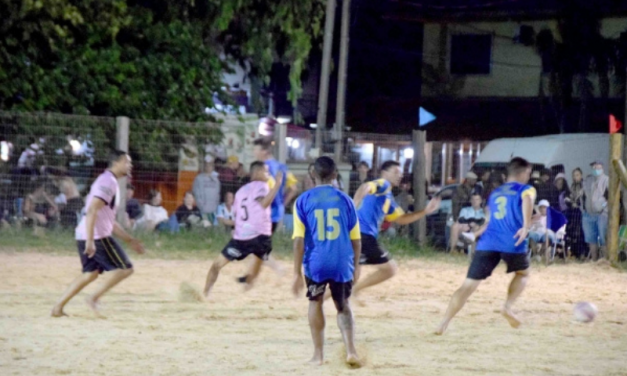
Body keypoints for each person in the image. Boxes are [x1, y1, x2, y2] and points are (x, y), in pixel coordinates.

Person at [435, 157, 535, 335]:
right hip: (512, 241)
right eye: (528, 173)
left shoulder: (495, 193)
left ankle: (443, 323)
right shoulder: (526, 189)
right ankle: (507, 306)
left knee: (468, 285)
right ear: (522, 173)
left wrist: (475, 234)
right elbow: (527, 199)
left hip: (488, 243)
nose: (529, 177)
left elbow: (489, 221)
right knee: (523, 274)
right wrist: (526, 226)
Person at [51, 150, 145, 318]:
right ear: (116, 163)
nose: (130, 165)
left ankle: (58, 308)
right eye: (127, 162)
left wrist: (130, 240)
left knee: (90, 273)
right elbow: (93, 209)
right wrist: (90, 242)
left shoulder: (108, 181)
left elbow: (109, 221)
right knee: (125, 268)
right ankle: (93, 299)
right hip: (95, 236)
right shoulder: (108, 182)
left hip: (85, 233)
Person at [291, 156, 362, 367]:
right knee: (343, 306)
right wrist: (356, 266)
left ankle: (318, 355)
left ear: (312, 174)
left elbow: (298, 241)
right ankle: (351, 351)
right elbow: (356, 240)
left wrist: (296, 273)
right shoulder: (346, 200)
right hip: (342, 262)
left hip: (316, 263)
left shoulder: (303, 200)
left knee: (315, 302)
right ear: (334, 175)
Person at [341, 161, 441, 300]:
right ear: (384, 173)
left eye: (400, 173)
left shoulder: (387, 197)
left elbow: (401, 219)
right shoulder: (383, 184)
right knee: (389, 269)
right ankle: (349, 293)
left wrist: (425, 211)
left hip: (358, 234)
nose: (399, 175)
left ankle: (324, 300)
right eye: (395, 172)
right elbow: (365, 187)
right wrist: (354, 204)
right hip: (363, 235)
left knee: (353, 275)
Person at [203, 162, 283, 296]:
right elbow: (263, 203)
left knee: (216, 265)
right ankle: (271, 270)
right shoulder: (263, 186)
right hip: (258, 234)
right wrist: (277, 186)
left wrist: (237, 227)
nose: (268, 175)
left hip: (242, 237)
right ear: (257, 173)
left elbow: (237, 214)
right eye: (266, 172)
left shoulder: (240, 191)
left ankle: (205, 293)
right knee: (262, 256)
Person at [581, 161, 609, 261]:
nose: (596, 169)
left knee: (603, 238)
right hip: (588, 214)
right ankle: (594, 260)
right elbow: (584, 195)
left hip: (602, 214)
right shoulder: (588, 180)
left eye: (598, 167)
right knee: (591, 238)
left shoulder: (607, 180)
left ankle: (605, 261)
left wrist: (602, 206)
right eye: (594, 167)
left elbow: (610, 197)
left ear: (602, 168)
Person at [565, 168, 586, 259]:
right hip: (573, 213)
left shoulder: (584, 186)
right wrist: (570, 202)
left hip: (582, 212)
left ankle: (583, 253)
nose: (575, 177)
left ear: (581, 175)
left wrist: (577, 203)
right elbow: (568, 198)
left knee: (581, 233)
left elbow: (584, 199)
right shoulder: (572, 186)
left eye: (577, 175)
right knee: (573, 232)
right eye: (574, 175)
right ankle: (575, 253)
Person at [193, 158, 221, 224]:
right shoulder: (198, 178)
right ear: (204, 166)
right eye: (206, 165)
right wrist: (201, 206)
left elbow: (218, 194)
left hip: (214, 211)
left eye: (210, 165)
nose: (208, 167)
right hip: (202, 210)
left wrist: (216, 206)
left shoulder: (216, 180)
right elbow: (196, 193)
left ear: (213, 167)